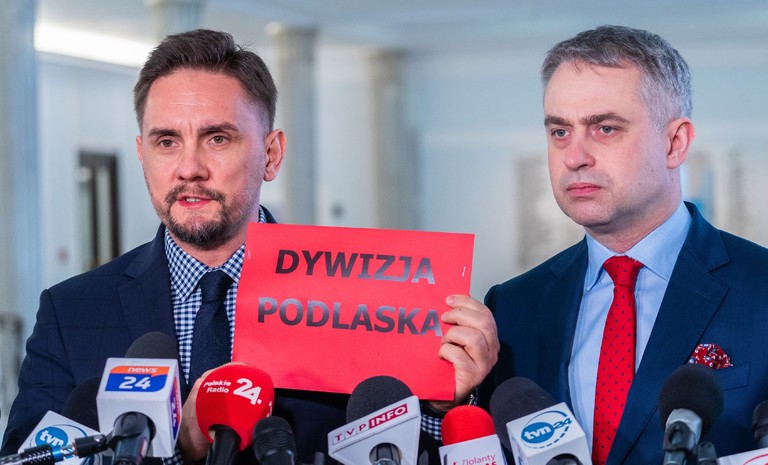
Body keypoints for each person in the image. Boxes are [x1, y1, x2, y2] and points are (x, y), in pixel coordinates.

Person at [0, 29, 498, 465]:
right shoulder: (70, 313)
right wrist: (177, 443)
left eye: (217, 138)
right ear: (142, 154)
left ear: (271, 154)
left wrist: (442, 404)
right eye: (166, 141)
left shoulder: (361, 300)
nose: (189, 168)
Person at [480, 25, 768, 465]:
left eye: (605, 128)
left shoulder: (760, 288)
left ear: (674, 143)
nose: (574, 157)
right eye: (560, 132)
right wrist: (449, 404)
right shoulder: (511, 307)